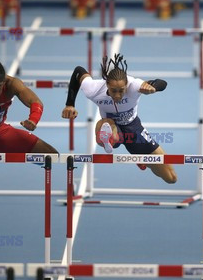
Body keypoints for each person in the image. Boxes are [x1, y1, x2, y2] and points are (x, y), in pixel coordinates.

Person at [61, 54, 177, 184]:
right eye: (113, 90)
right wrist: (69, 104)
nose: (117, 95)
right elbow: (78, 71)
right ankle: (110, 139)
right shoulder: (93, 89)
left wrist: (153, 86)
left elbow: (162, 83)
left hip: (134, 130)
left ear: (127, 85)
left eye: (121, 91)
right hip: (111, 128)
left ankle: (141, 159)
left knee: (171, 178)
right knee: (106, 125)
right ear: (106, 85)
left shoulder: (134, 85)